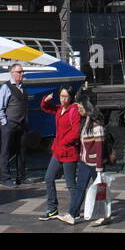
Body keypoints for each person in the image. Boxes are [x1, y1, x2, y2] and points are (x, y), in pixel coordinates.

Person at [39, 85, 82, 223]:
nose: (63, 99)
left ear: (71, 97)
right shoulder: (60, 109)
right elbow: (47, 108)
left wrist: (63, 141)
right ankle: (52, 209)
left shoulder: (74, 110)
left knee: (70, 184)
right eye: (61, 96)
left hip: (69, 152)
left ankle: (75, 211)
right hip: (58, 151)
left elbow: (76, 132)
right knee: (48, 178)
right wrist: (45, 100)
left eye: (66, 97)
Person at [75, 96, 110, 225]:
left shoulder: (96, 125)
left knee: (101, 190)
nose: (78, 110)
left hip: (95, 163)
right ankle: (72, 213)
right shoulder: (85, 121)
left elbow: (99, 148)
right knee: (80, 187)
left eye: (80, 108)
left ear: (87, 108)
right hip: (84, 161)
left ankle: (105, 215)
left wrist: (99, 168)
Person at [0, 63, 30, 187]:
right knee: (6, 151)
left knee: (21, 151)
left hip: (22, 124)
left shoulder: (23, 88)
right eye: (19, 72)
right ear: (12, 73)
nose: (22, 74)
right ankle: (6, 178)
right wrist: (5, 123)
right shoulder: (6, 87)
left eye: (22, 72)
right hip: (9, 123)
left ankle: (21, 176)